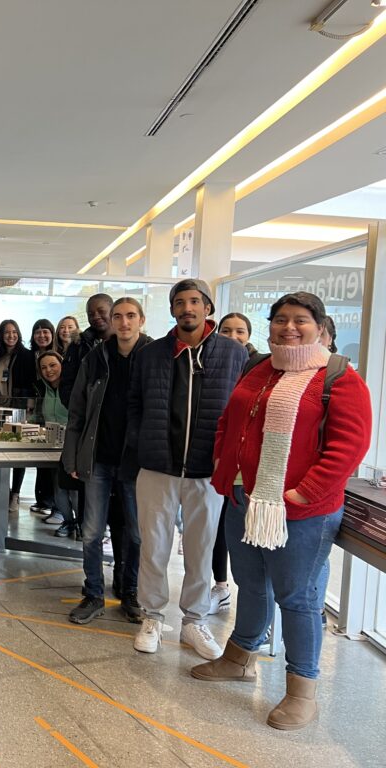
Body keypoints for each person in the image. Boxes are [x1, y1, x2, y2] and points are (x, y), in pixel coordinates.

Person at [193, 292, 371, 731]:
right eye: (280, 320)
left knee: (299, 598)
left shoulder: (339, 378)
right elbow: (229, 421)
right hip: (244, 500)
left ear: (320, 328)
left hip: (301, 512)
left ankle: (302, 691)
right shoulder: (260, 368)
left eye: (300, 320)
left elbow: (350, 447)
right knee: (251, 584)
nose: (289, 327)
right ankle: (239, 656)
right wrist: (223, 462)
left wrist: (305, 493)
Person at [126, 279, 247, 660]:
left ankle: (194, 621)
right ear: (173, 309)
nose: (187, 308)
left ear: (207, 307)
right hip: (157, 466)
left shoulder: (232, 354)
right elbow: (134, 406)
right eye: (180, 302)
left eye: (195, 301)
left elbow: (242, 412)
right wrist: (142, 443)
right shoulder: (151, 354)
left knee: (201, 547)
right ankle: (152, 616)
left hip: (206, 471)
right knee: (153, 546)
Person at [62, 298, 151, 625]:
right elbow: (78, 411)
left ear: (141, 319)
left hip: (137, 462)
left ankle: (130, 593)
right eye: (118, 317)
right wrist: (71, 456)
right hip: (98, 457)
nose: (123, 322)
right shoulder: (95, 357)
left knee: (138, 534)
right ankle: (93, 594)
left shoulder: (153, 357)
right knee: (91, 531)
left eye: (130, 316)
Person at [207, 311, 260, 614]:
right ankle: (220, 586)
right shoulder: (214, 364)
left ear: (249, 336)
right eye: (226, 331)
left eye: (239, 331)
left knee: (249, 534)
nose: (233, 337)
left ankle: (255, 603)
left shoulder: (260, 368)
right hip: (221, 460)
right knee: (220, 528)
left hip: (250, 467)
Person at [30, 351, 77, 533]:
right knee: (59, 490)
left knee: (74, 491)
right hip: (52, 446)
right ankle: (69, 522)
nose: (48, 370)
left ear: (62, 365)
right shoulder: (44, 390)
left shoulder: (72, 388)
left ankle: (80, 523)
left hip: (72, 447)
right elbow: (40, 414)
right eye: (43, 367)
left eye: (52, 365)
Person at [0, 319, 36, 512]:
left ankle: (16, 494)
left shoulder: (26, 355)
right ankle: (2, 491)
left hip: (19, 409)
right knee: (0, 450)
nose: (11, 336)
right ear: (1, 336)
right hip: (0, 408)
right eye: (6, 333)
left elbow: (30, 383)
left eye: (14, 332)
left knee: (18, 451)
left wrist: (28, 407)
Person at [59, 295, 111, 407]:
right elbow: (67, 384)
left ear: (112, 311)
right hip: (86, 414)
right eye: (91, 314)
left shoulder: (124, 343)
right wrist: (79, 410)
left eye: (101, 311)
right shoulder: (78, 344)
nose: (96, 316)